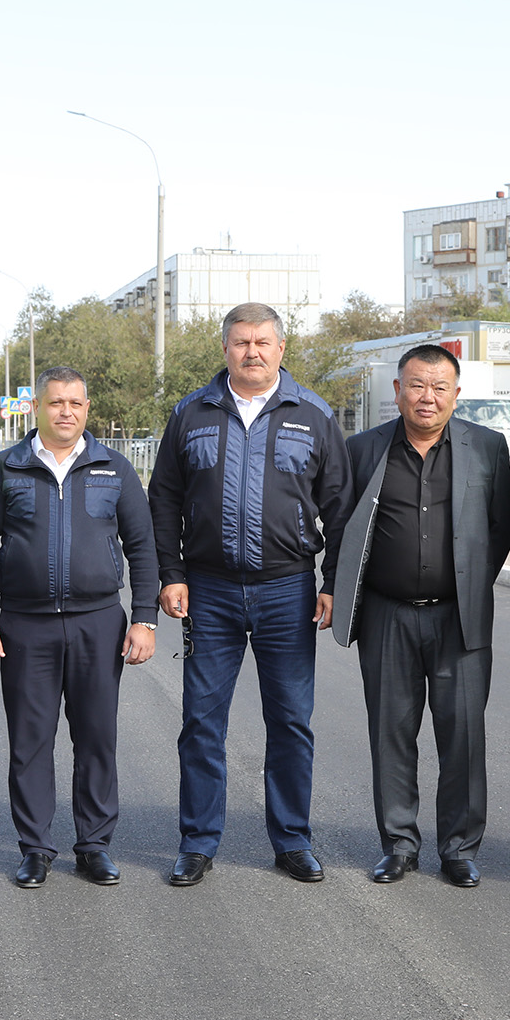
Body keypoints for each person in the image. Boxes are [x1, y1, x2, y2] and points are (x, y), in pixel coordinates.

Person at [147, 301, 351, 887]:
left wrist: (333, 583)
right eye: (241, 342)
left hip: (288, 589)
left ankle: (292, 841)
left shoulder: (313, 414)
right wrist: (171, 573)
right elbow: (163, 498)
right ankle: (197, 842)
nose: (252, 351)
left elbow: (340, 507)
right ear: (225, 348)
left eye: (263, 342)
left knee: (290, 721)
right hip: (208, 591)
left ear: (281, 348)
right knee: (201, 722)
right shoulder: (192, 412)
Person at [0, 366, 161, 888]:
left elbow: (143, 547)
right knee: (30, 741)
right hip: (26, 626)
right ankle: (35, 848)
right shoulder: (5, 468)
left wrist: (144, 618)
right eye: (55, 402)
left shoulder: (114, 468)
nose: (65, 411)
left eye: (75, 403)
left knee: (97, 738)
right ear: (37, 408)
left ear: (86, 409)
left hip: (99, 623)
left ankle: (94, 846)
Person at [331, 343, 510, 887]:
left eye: (439, 387)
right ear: (397, 391)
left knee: (464, 736)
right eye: (416, 385)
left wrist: (468, 580)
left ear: (456, 394)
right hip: (386, 616)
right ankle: (399, 844)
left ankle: (459, 848)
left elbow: (501, 524)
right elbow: (342, 528)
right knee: (391, 733)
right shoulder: (364, 449)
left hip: (460, 617)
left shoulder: (486, 447)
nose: (427, 397)